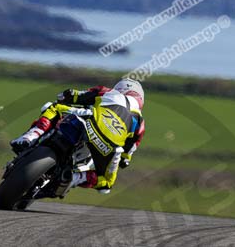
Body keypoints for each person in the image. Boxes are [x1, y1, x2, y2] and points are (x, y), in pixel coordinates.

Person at [10, 78, 145, 193]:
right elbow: (127, 155)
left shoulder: (108, 91)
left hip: (90, 123)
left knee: (54, 107)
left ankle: (30, 137)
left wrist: (65, 96)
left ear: (120, 88)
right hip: (111, 147)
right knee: (106, 184)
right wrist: (123, 160)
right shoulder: (140, 121)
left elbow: (74, 95)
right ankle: (74, 178)